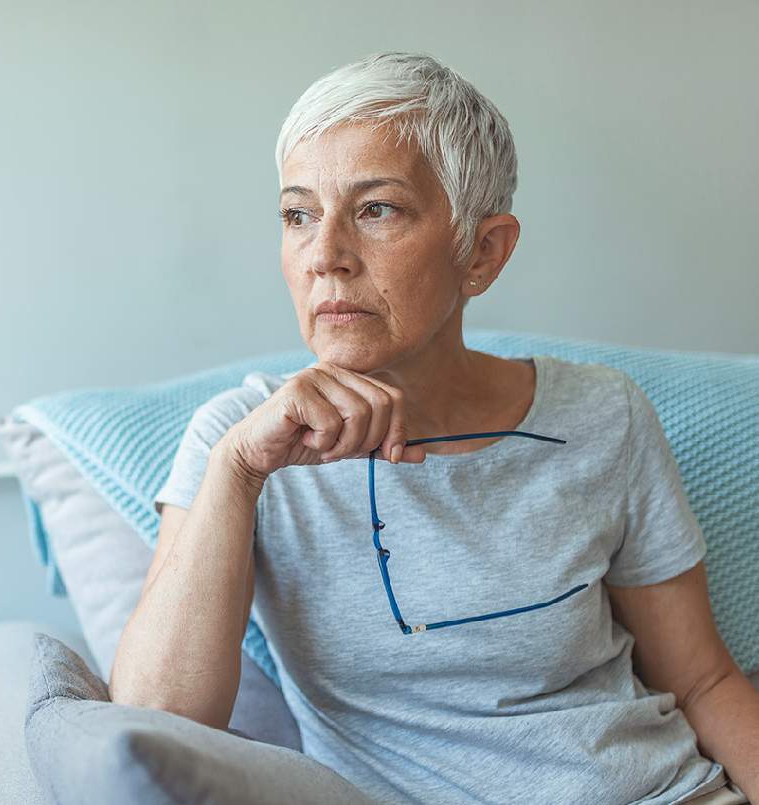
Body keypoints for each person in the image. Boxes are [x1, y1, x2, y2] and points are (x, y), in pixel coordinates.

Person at [110, 52, 758, 804]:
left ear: (483, 252)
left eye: (376, 209)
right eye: (298, 215)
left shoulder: (604, 415)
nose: (326, 256)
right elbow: (155, 726)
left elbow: (705, 679)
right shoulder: (240, 442)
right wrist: (239, 471)